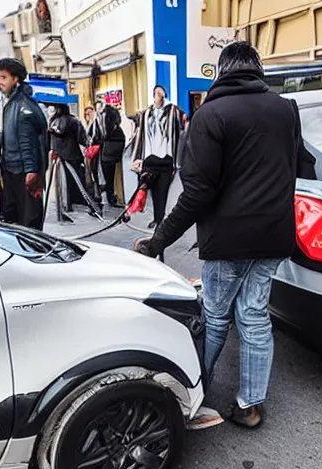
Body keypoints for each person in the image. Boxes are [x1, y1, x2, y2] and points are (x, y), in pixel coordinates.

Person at [140, 41, 309, 429]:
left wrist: (159, 239)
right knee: (254, 316)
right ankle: (249, 405)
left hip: (229, 239)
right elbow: (298, 163)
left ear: (221, 71)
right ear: (258, 69)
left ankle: (191, 399)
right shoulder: (287, 109)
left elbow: (198, 191)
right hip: (274, 235)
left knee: (215, 317)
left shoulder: (210, 114)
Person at [0, 58, 48, 230]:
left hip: (22, 172)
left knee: (28, 222)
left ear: (15, 79)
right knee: (15, 220)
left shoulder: (23, 107)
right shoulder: (13, 103)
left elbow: (27, 142)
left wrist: (31, 171)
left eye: (3, 78)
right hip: (12, 170)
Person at [131, 85, 185, 229]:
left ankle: (160, 220)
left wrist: (165, 100)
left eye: (161, 93)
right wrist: (136, 157)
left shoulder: (173, 111)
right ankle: (155, 217)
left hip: (166, 160)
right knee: (150, 190)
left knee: (162, 192)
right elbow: (139, 135)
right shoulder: (146, 113)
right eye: (156, 93)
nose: (158, 95)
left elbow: (183, 120)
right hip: (149, 159)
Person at [48, 104, 89, 211]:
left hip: (61, 155)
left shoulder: (55, 121)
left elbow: (58, 132)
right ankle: (79, 200)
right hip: (74, 154)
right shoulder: (74, 121)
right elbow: (82, 138)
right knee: (76, 180)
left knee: (65, 182)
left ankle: (67, 203)